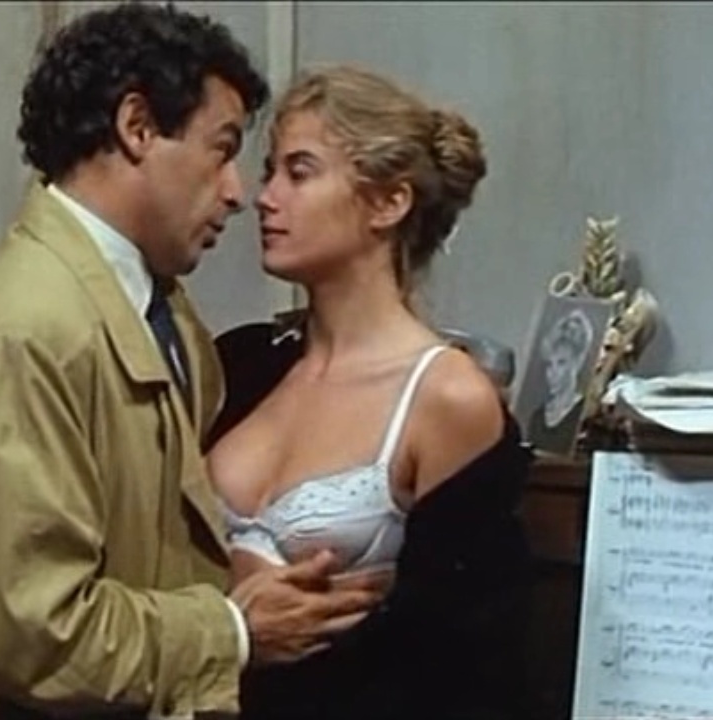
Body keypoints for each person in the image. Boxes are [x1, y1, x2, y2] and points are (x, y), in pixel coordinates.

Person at [0, 6, 384, 720]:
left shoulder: (160, 310)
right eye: (221, 150)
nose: (238, 192)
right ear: (137, 127)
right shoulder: (27, 328)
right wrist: (233, 632)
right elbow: (27, 634)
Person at [206, 66, 533, 720]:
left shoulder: (446, 396)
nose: (264, 198)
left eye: (299, 173)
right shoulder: (241, 363)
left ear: (389, 203)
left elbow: (467, 664)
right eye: (269, 172)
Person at [527, 309, 595, 454]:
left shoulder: (584, 414)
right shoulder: (537, 417)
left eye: (561, 363)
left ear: (577, 363)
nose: (553, 373)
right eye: (549, 365)